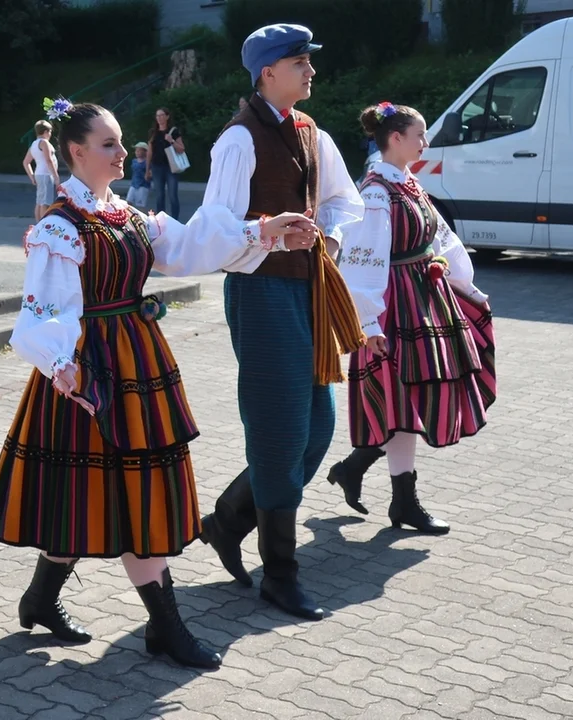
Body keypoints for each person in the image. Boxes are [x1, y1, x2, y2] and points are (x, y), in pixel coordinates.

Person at [0, 99, 320, 669]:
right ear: (76, 152)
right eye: (107, 145)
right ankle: (164, 628)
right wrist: (68, 373)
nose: (120, 153)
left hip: (136, 362)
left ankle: (40, 600)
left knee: (99, 497)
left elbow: (192, 249)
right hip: (90, 376)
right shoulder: (59, 227)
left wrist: (267, 230)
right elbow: (39, 314)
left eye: (119, 142)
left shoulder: (131, 215)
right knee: (111, 496)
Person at [197, 24, 367, 621]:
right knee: (280, 428)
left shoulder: (310, 131)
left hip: (307, 288)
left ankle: (226, 521)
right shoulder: (238, 140)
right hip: (261, 290)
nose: (311, 70)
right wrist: (266, 235)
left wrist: (334, 236)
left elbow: (348, 200)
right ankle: (280, 572)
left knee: (317, 426)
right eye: (300, 62)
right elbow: (214, 232)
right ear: (268, 71)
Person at [328, 102, 496, 533]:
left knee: (413, 400)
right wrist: (367, 324)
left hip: (424, 300)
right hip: (397, 308)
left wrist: (467, 285)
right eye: (419, 134)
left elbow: (443, 238)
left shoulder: (408, 184)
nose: (426, 142)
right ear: (396, 139)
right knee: (404, 401)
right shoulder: (376, 193)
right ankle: (398, 498)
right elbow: (362, 260)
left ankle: (373, 481)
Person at [145, 107, 184, 217]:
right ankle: (161, 221)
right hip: (157, 167)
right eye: (157, 115)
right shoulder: (153, 132)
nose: (159, 118)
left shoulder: (174, 131)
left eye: (162, 115)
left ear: (167, 117)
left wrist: (171, 140)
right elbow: (149, 152)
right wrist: (147, 170)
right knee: (159, 196)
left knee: (173, 196)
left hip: (171, 167)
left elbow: (181, 148)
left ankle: (175, 221)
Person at [23, 120, 61, 221]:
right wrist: (56, 176)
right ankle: (44, 224)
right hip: (46, 174)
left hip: (39, 174)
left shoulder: (34, 144)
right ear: (46, 132)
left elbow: (26, 162)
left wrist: (32, 176)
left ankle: (39, 224)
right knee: (45, 202)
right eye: (50, 132)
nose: (50, 134)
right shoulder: (44, 143)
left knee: (40, 201)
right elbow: (49, 160)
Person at [125, 141, 150, 210]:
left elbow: (150, 174)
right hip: (133, 184)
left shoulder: (147, 163)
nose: (137, 152)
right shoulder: (134, 161)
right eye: (136, 150)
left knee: (140, 206)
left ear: (145, 152)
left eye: (139, 150)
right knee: (128, 201)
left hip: (143, 185)